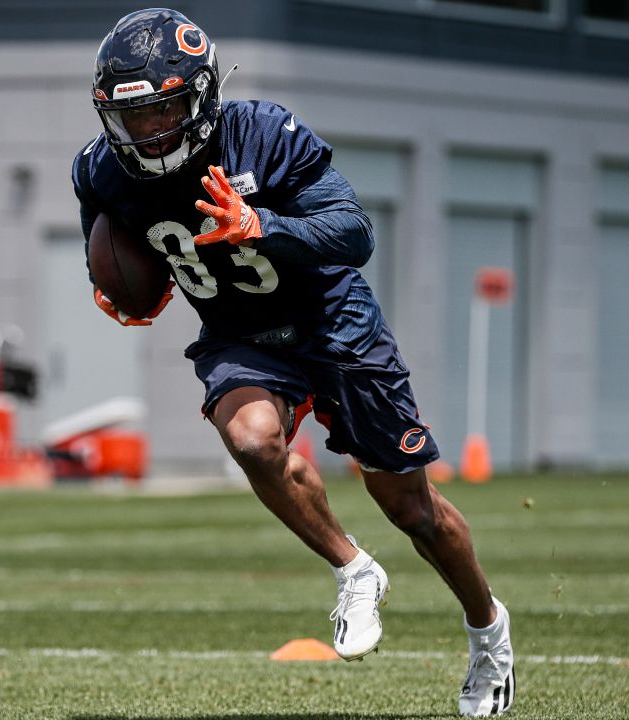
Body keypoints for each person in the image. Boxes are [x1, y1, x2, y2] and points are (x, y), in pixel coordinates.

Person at [71, 9, 515, 716]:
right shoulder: (98, 172)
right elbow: (121, 264)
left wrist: (262, 226)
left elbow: (355, 233)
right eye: (136, 119)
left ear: (204, 94)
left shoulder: (264, 134)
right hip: (238, 332)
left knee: (412, 508)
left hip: (331, 322)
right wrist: (121, 292)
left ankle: (488, 630)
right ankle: (353, 568)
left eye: (166, 111)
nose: (153, 133)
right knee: (250, 438)